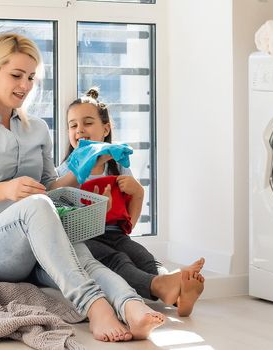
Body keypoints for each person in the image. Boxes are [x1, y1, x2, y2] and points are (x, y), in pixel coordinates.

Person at [0, 32, 165, 342]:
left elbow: (48, 189)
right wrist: (6, 190)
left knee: (82, 255)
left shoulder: (37, 128)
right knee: (40, 209)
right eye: (16, 75)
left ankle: (132, 306)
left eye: (31, 76)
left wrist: (81, 164)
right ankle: (95, 307)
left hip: (36, 235)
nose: (26, 85)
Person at [57, 88, 205, 317]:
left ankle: (178, 292)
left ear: (105, 129)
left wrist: (137, 193)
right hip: (86, 239)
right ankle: (165, 287)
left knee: (142, 255)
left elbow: (130, 219)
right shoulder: (66, 172)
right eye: (73, 125)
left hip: (116, 233)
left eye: (87, 123)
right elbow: (61, 214)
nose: (79, 130)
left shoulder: (118, 167)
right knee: (119, 260)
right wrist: (97, 209)